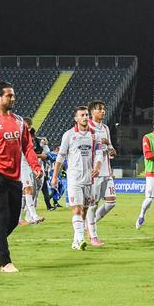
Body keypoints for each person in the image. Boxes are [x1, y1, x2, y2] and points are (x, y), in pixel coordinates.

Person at [0, 81, 42, 273]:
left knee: (13, 220)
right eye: (9, 95)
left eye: (13, 95)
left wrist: (36, 166)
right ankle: (5, 262)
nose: (13, 98)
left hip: (15, 177)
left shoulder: (20, 121)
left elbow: (27, 147)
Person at [52, 106, 100, 250]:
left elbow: (99, 153)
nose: (85, 117)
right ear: (76, 118)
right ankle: (80, 239)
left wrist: (97, 167)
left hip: (89, 179)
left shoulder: (94, 135)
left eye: (86, 115)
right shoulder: (69, 135)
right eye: (82, 115)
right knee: (77, 209)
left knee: (84, 211)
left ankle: (75, 241)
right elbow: (60, 157)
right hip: (74, 179)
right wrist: (55, 176)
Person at [86, 100, 117, 242]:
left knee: (111, 202)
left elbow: (110, 149)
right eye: (100, 109)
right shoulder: (87, 127)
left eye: (104, 109)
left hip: (106, 170)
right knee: (93, 204)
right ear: (92, 112)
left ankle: (89, 224)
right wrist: (100, 143)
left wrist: (110, 148)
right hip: (94, 172)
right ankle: (93, 235)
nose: (103, 111)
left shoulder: (105, 127)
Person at [18, 117, 45, 226]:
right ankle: (32, 216)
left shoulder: (31, 138)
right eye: (25, 127)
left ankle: (26, 217)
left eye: (28, 127)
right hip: (22, 164)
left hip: (30, 164)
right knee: (27, 189)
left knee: (28, 191)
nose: (27, 129)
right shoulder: (17, 136)